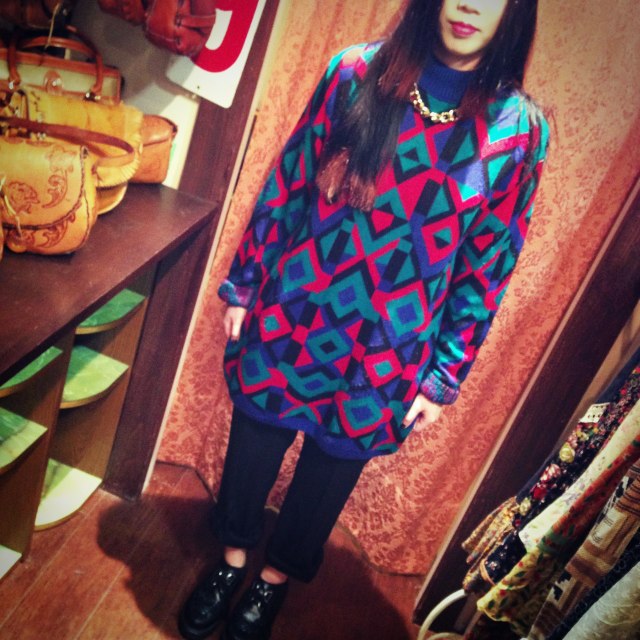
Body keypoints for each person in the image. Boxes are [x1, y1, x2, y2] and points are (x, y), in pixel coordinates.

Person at [179, 0, 549, 638]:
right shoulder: (354, 72)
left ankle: (272, 583)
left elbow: (488, 267)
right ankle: (231, 561)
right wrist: (244, 284)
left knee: (327, 478)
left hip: (387, 352)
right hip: (292, 313)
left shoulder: (519, 133)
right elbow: (289, 180)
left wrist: (444, 375)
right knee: (253, 447)